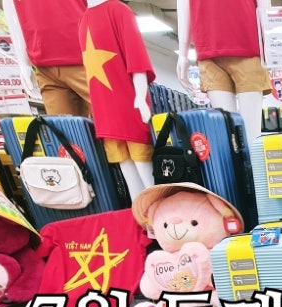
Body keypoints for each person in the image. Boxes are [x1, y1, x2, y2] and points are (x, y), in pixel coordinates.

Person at [79, 0, 155, 199]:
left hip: (129, 106)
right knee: (127, 169)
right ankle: (140, 214)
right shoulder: (83, 19)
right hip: (105, 112)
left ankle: (156, 212)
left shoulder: (119, 11)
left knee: (144, 168)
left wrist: (140, 97)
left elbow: (136, 58)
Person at [176, 0, 271, 144]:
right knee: (226, 138)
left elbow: (264, 4)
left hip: (248, 46)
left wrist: (270, 43)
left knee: (251, 138)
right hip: (208, 51)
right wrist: (182, 54)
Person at [3, 0, 91, 116]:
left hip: (87, 57)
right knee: (62, 126)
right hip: (45, 67)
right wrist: (23, 63)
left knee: (111, 121)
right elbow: (10, 4)